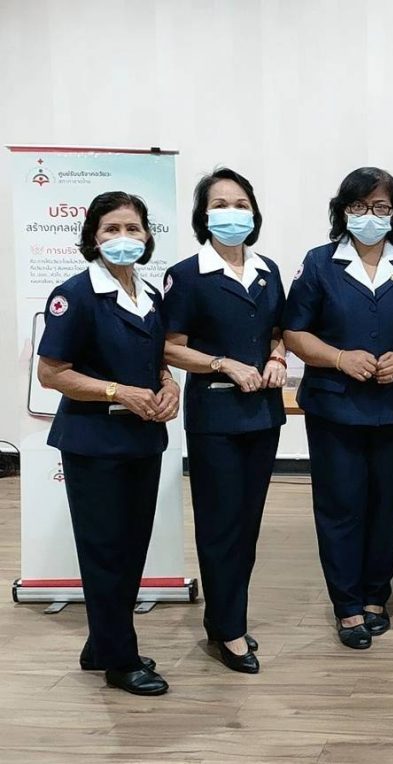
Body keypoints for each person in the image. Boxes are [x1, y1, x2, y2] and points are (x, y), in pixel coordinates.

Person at [37, 191, 179, 695]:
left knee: (131, 546)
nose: (123, 238)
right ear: (93, 239)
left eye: (132, 228)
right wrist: (117, 392)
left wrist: (169, 384)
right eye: (111, 229)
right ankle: (120, 660)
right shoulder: (74, 295)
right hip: (94, 442)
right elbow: (52, 373)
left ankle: (101, 644)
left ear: (147, 236)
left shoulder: (150, 294)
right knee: (106, 551)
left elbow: (155, 360)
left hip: (142, 439)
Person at [284, 168, 393, 650]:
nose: (370, 216)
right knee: (341, 506)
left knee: (386, 505)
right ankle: (347, 604)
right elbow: (294, 332)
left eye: (381, 207)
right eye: (360, 207)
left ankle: (375, 596)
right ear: (343, 211)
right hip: (334, 407)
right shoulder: (319, 263)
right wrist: (339, 358)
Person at [163, 168, 286, 673]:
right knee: (220, 526)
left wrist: (278, 356)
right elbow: (170, 347)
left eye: (241, 204)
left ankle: (227, 618)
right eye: (220, 204)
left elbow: (279, 329)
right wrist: (221, 364)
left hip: (263, 415)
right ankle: (228, 630)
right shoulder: (187, 275)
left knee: (247, 527)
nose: (231, 213)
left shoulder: (267, 269)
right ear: (203, 215)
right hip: (215, 417)